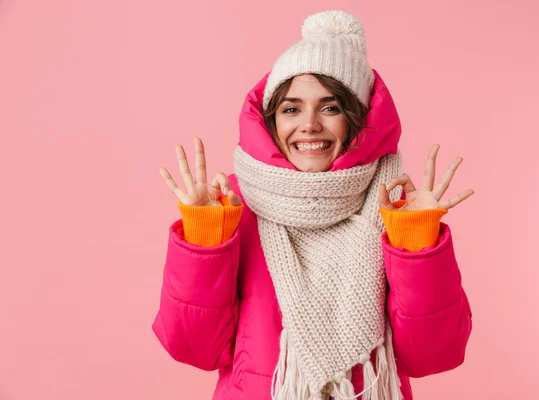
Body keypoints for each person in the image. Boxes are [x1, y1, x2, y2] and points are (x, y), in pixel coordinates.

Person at [153, 10, 474, 400]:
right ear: (271, 121)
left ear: (357, 120)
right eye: (290, 109)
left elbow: (432, 356)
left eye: (330, 107)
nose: (308, 124)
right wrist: (205, 238)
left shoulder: (397, 208)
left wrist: (418, 242)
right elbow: (196, 349)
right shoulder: (232, 206)